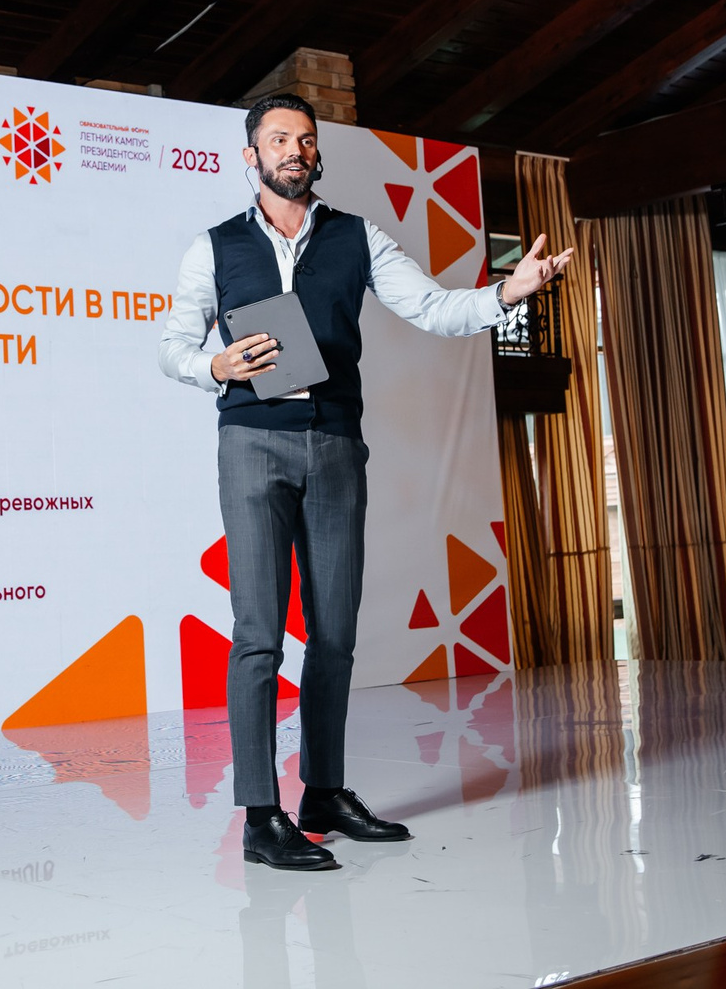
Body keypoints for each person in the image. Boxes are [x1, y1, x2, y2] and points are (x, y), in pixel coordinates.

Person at [158, 94, 572, 870]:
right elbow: (173, 346)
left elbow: (433, 308)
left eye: (305, 139)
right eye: (278, 139)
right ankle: (260, 817)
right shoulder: (213, 247)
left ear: (316, 154)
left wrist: (507, 294)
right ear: (251, 156)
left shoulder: (357, 236)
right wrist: (215, 364)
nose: (294, 149)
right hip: (252, 444)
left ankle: (322, 794)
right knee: (257, 635)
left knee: (336, 635)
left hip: (336, 447)